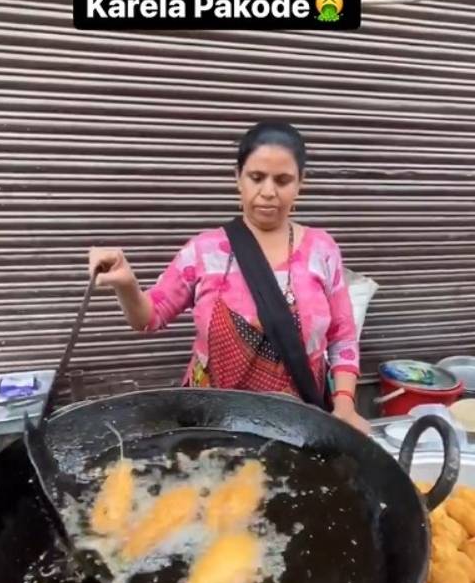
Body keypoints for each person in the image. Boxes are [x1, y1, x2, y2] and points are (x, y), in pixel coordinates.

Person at [88, 121, 368, 434]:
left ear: (300, 184)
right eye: (256, 177)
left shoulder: (322, 250)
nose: (268, 192)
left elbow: (342, 335)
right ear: (238, 179)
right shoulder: (205, 251)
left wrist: (344, 405)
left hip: (299, 423)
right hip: (211, 421)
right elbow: (148, 318)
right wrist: (127, 284)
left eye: (283, 180)